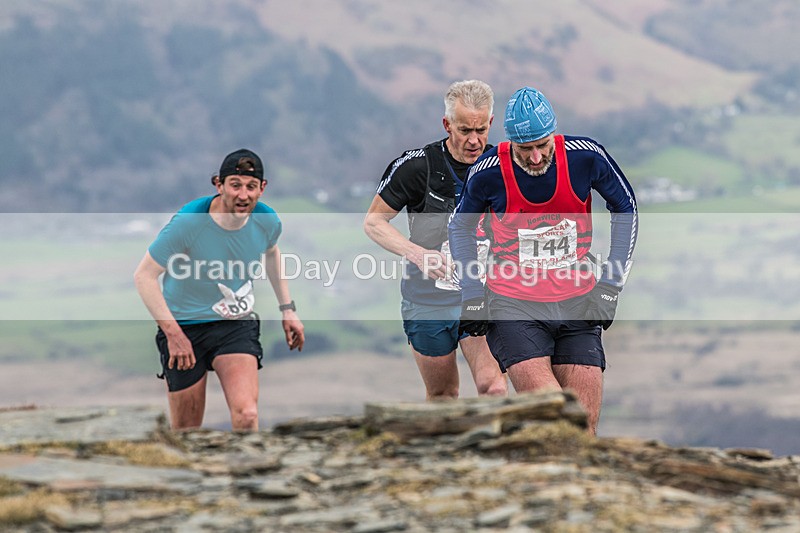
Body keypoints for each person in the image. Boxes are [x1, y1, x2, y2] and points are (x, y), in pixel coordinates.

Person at [449, 87, 638, 434]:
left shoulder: (586, 157)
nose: (535, 158)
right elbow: (459, 228)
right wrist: (472, 294)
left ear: (554, 134)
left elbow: (626, 208)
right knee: (555, 416)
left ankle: (577, 489)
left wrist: (611, 286)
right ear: (510, 144)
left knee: (584, 422)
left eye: (542, 146)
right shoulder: (489, 172)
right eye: (525, 150)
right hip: (513, 307)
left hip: (577, 303)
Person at [134, 148, 305, 431]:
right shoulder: (190, 222)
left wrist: (288, 310)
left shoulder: (267, 220)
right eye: (235, 185)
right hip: (184, 327)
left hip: (234, 324)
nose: (243, 195)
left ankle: (246, 474)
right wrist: (173, 334)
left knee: (247, 415)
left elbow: (272, 253)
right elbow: (144, 276)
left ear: (262, 189)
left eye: (251, 187)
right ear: (219, 185)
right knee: (187, 431)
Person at [364, 80, 508, 400]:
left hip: (482, 296)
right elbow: (374, 223)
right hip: (427, 300)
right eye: (464, 130)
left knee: (494, 387)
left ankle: (493, 451)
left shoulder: (502, 165)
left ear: (491, 123)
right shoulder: (417, 166)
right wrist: (417, 253)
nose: (473, 140)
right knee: (443, 395)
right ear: (447, 124)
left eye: (481, 130)